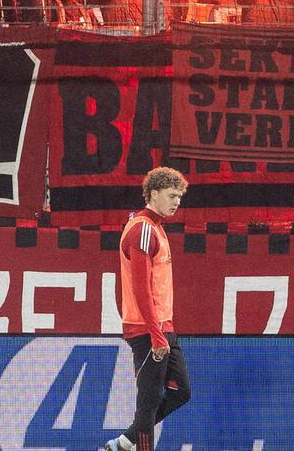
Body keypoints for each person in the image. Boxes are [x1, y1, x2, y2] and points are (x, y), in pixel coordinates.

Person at [105, 167, 192, 451]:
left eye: (179, 196)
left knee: (181, 392)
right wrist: (156, 335)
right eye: (171, 195)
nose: (176, 201)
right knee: (150, 400)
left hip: (163, 326)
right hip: (146, 329)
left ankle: (125, 442)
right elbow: (140, 288)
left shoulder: (154, 227)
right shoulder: (143, 229)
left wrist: (163, 331)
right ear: (153, 194)